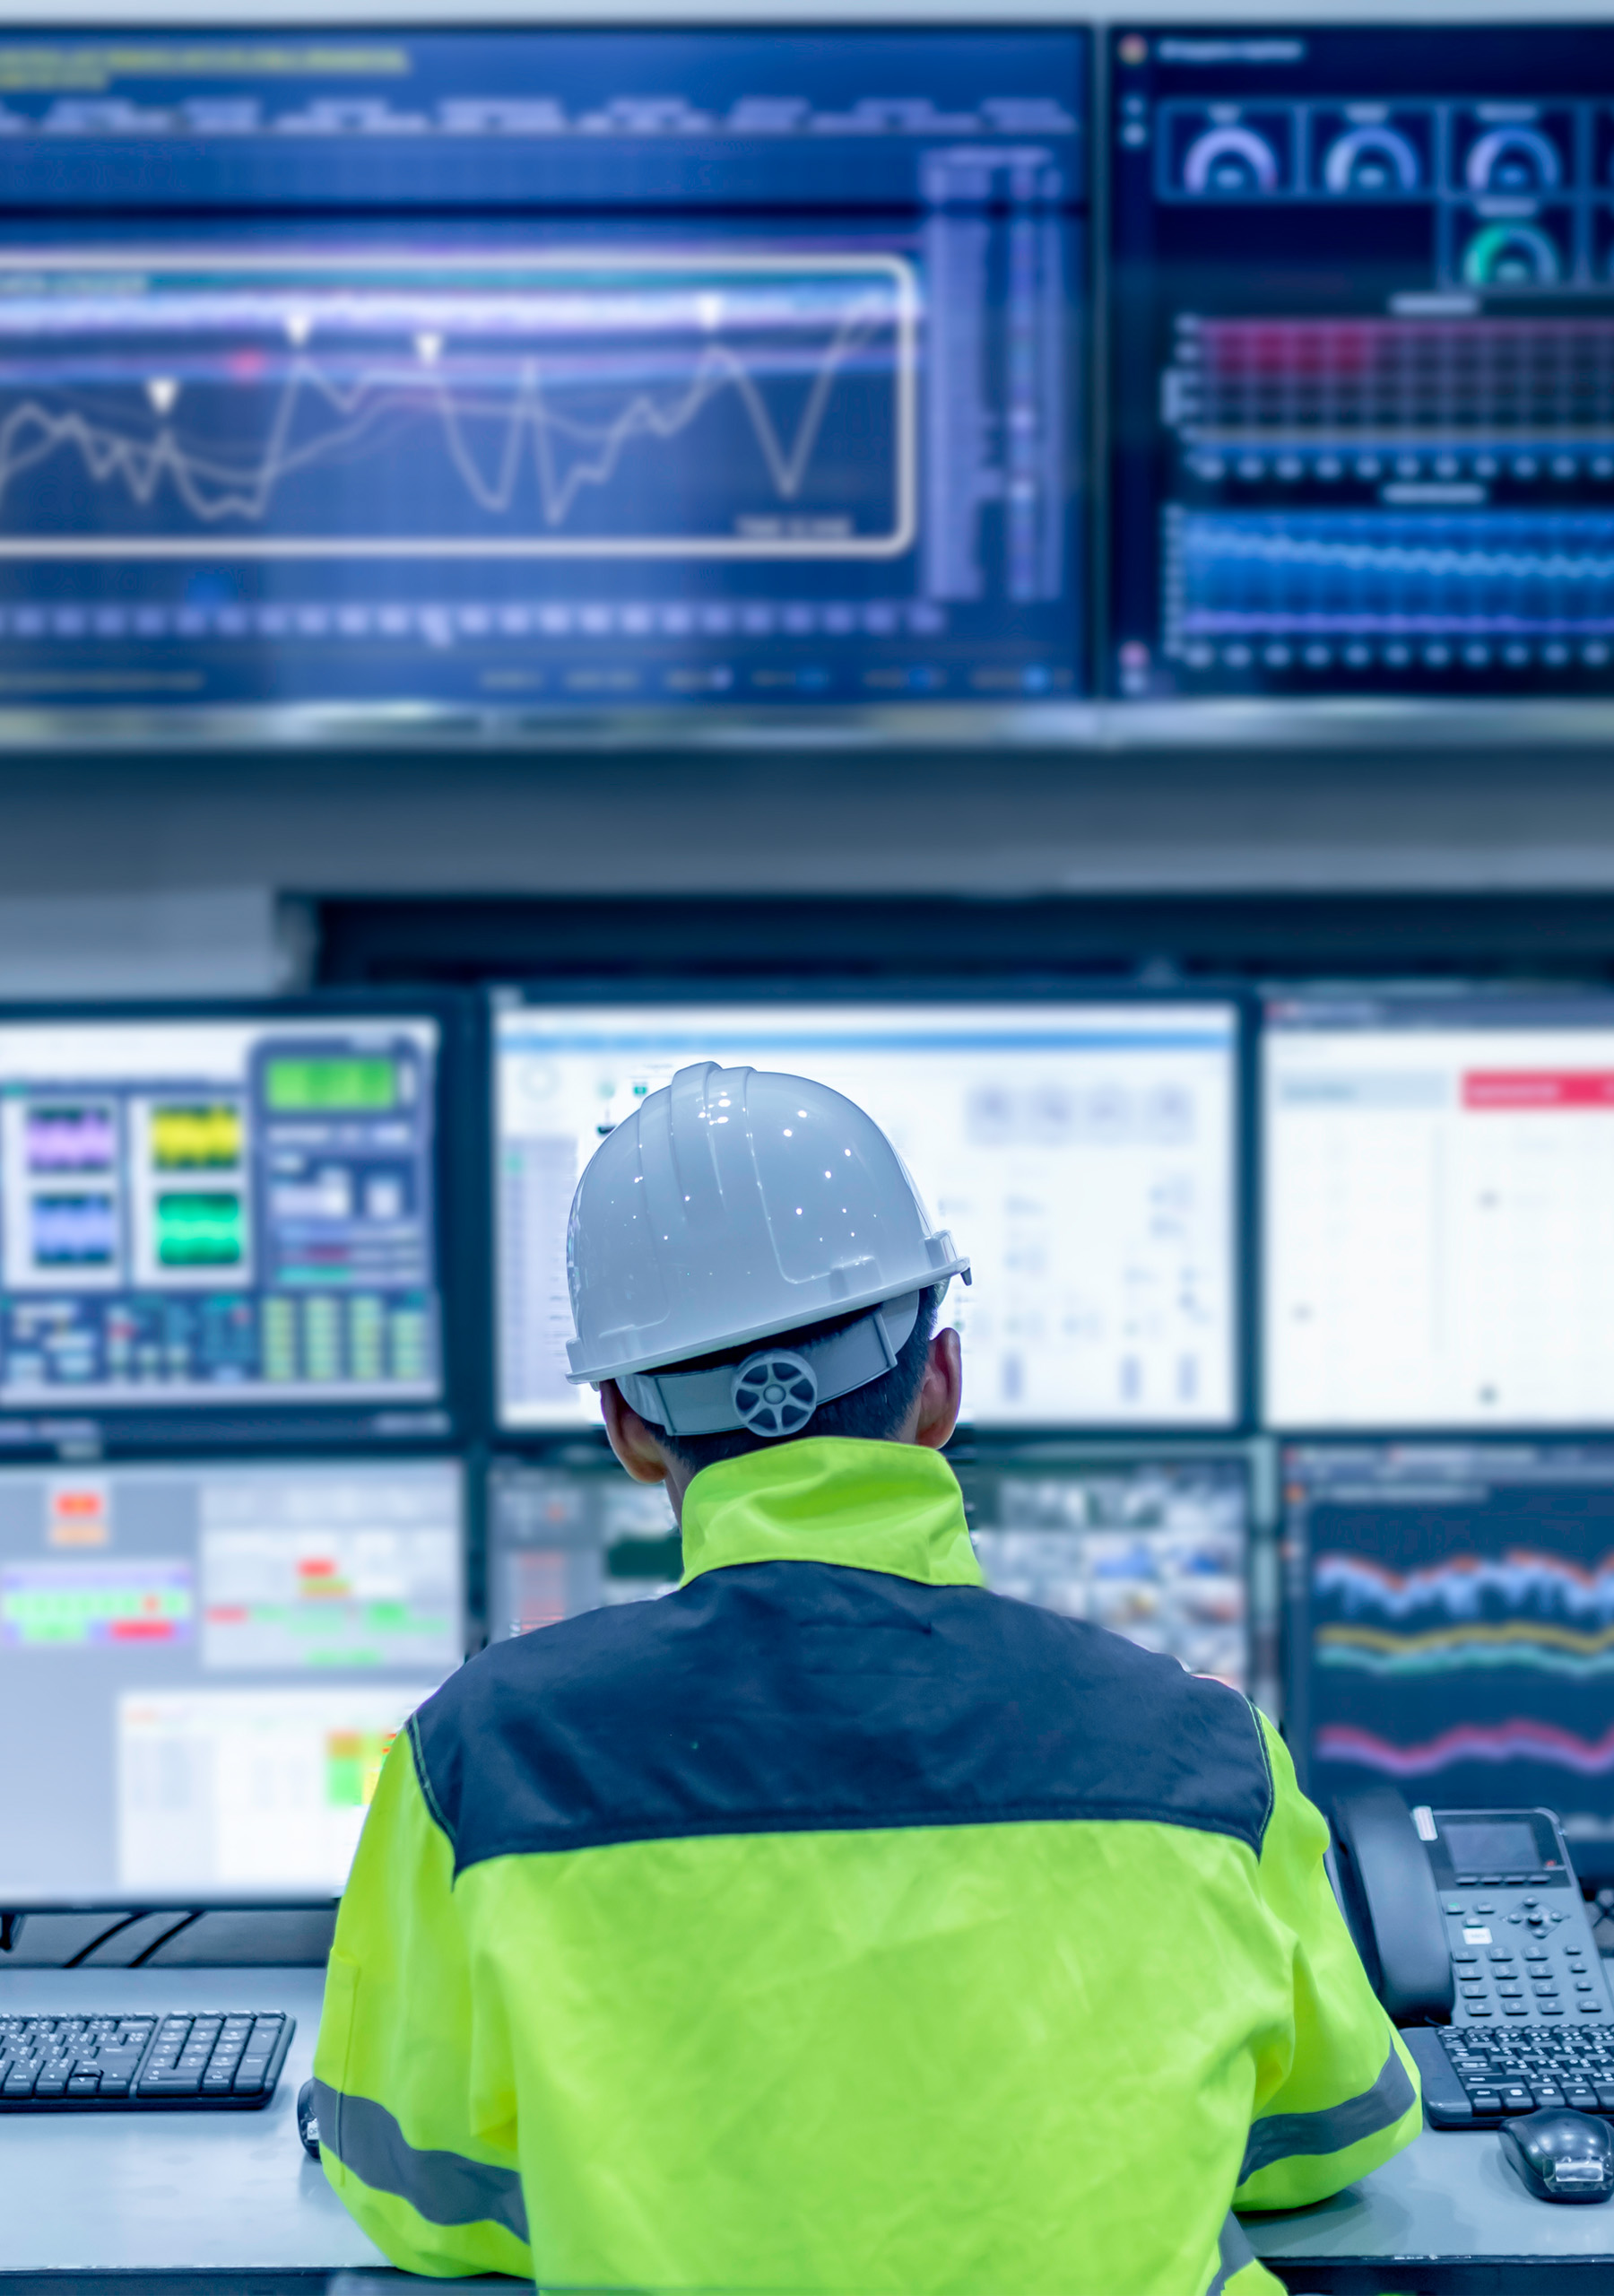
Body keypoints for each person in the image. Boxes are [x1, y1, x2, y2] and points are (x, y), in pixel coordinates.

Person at [314, 1060, 1419, 2294]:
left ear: (627, 1426)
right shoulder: (1202, 1755)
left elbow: (413, 2187)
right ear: (939, 1384)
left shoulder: (477, 1760)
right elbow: (1338, 2131)